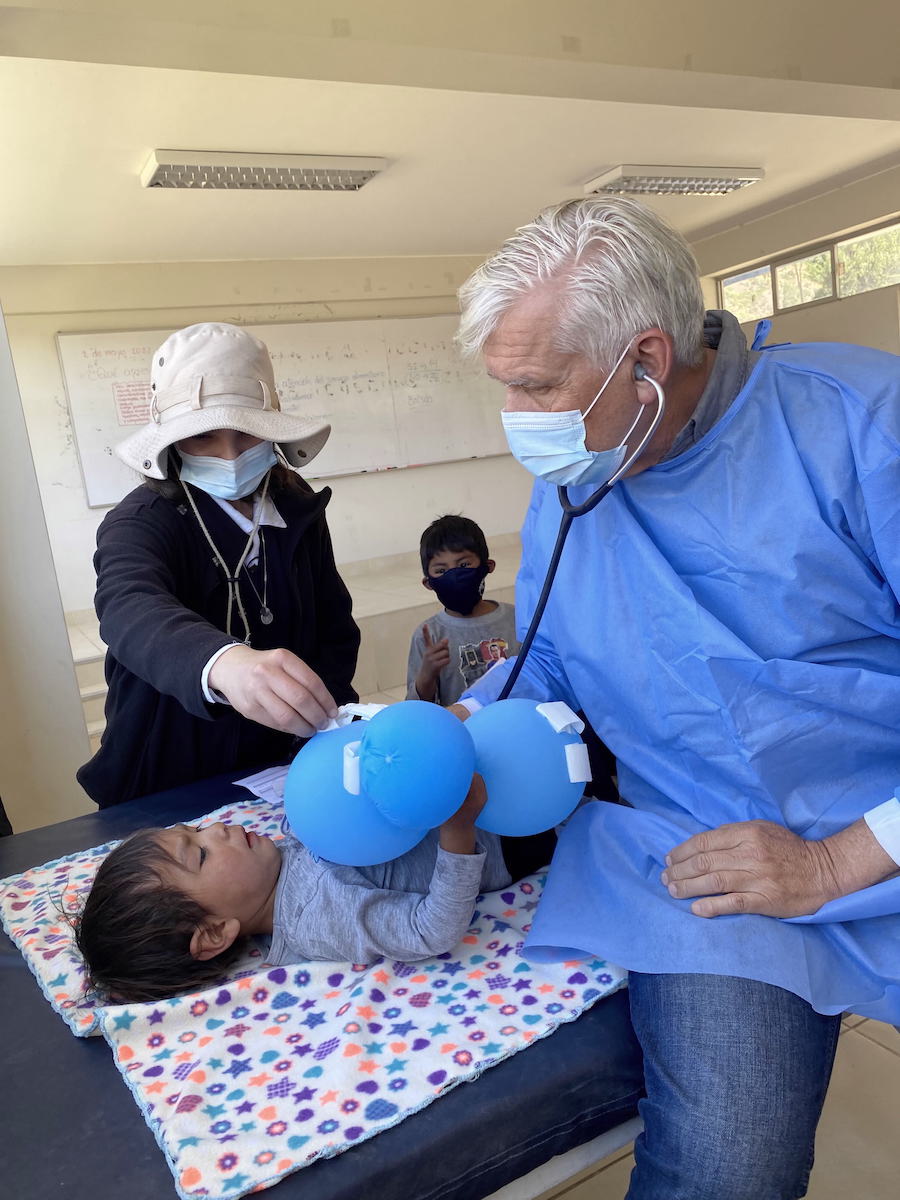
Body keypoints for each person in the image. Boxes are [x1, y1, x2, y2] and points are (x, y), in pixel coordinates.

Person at [452, 196, 900, 1200]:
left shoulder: (863, 424)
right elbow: (554, 659)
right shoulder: (580, 473)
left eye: (535, 386)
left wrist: (834, 861)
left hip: (881, 831)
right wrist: (462, 731)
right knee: (728, 1169)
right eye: (505, 389)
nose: (518, 420)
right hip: (702, 852)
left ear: (646, 359)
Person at [77, 323, 360, 808]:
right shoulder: (141, 521)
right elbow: (128, 607)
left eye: (246, 433)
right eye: (203, 437)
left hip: (281, 765)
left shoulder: (297, 507)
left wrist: (329, 716)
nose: (229, 456)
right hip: (166, 777)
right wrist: (222, 664)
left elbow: (334, 626)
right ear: (171, 442)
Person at [75, 781, 509, 1002]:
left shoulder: (276, 864)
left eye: (197, 829)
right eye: (201, 854)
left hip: (455, 794)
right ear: (212, 933)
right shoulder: (314, 918)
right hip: (503, 835)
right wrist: (459, 827)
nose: (217, 830)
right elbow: (429, 931)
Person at [406, 514, 518, 706]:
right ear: (428, 583)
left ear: (487, 566)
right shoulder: (429, 635)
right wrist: (426, 675)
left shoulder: (517, 619)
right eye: (441, 571)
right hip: (462, 732)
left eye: (464, 565)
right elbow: (418, 711)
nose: (454, 575)